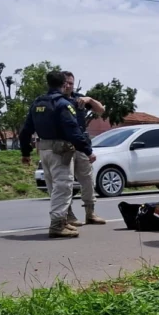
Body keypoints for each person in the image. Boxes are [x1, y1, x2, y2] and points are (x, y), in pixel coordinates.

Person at [19, 70, 95, 238]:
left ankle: (63, 221)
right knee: (63, 186)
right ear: (62, 84)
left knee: (54, 187)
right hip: (60, 151)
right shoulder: (62, 104)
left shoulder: (37, 103)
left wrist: (25, 152)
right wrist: (88, 150)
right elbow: (73, 131)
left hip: (44, 151)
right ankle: (57, 225)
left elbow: (25, 131)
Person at [61, 71, 106, 227]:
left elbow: (101, 110)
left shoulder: (79, 98)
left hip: (81, 145)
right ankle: (68, 215)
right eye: (65, 82)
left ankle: (90, 213)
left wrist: (90, 99)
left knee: (87, 180)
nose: (68, 85)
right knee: (66, 182)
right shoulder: (56, 100)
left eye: (71, 83)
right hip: (64, 146)